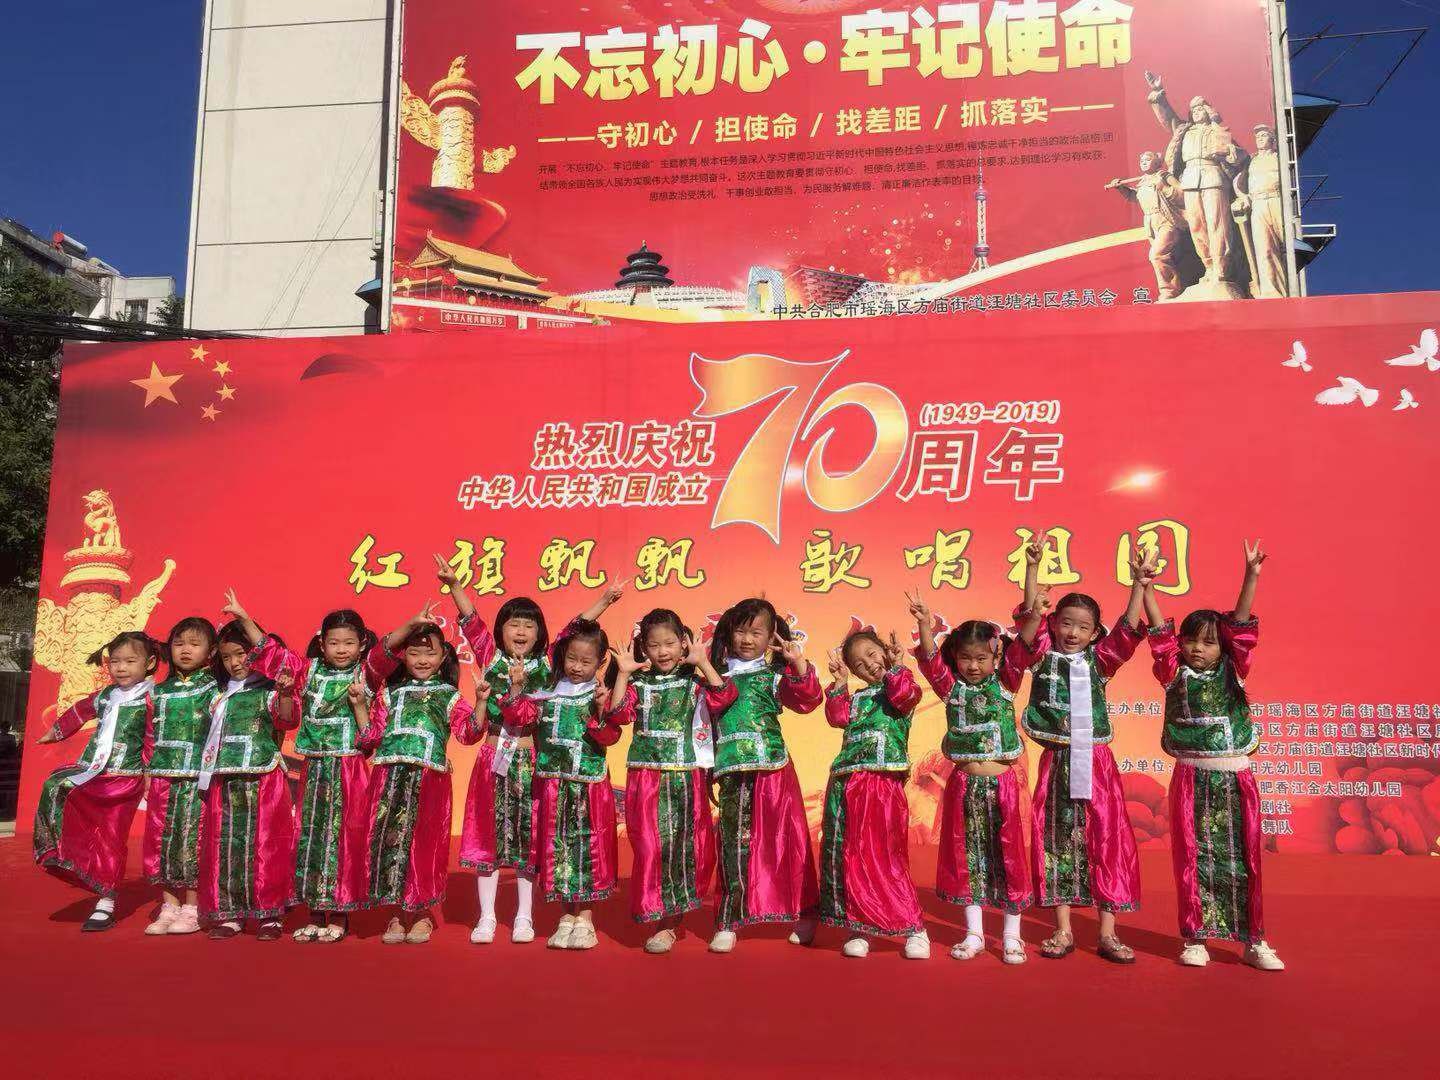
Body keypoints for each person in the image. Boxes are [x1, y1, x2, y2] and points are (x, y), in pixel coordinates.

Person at [1011, 533, 1155, 962]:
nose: (1072, 633)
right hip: (1057, 760)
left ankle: (1108, 932)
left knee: (1106, 837)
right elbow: (1029, 619)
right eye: (1066, 623)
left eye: (1083, 627)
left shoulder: (1100, 661)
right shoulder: (1041, 655)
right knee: (1056, 838)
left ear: (1094, 634)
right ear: (1055, 624)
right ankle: (1063, 929)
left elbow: (1128, 629)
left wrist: (1138, 585)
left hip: (1096, 762)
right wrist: (1032, 568)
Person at [1144, 540, 1284, 971]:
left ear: (1224, 647)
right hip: (1191, 777)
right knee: (1192, 856)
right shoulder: (1172, 672)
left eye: (1208, 642)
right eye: (1190, 641)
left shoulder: (1233, 668)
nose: (1197, 649)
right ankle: (1195, 938)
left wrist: (1251, 576)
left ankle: (1254, 940)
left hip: (1235, 777)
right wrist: (1146, 587)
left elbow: (1240, 622)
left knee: (1244, 859)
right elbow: (1159, 634)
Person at [223, 592, 387, 942]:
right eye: (334, 643)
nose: (341, 649)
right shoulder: (308, 671)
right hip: (315, 768)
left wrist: (414, 623)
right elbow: (272, 652)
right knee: (310, 836)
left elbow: (389, 650)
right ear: (322, 644)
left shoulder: (366, 674)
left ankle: (340, 915)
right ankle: (314, 912)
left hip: (349, 768)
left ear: (361, 645)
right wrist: (243, 618)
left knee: (343, 838)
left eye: (349, 643)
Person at [910, 591, 1042, 964]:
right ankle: (974, 934)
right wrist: (924, 623)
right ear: (956, 658)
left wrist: (1033, 588)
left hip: (1002, 786)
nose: (972, 665)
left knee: (1009, 857)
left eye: (981, 658)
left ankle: (1012, 936)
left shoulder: (1007, 682)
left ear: (996, 656)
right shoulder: (950, 689)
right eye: (965, 658)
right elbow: (930, 660)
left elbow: (1026, 639)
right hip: (964, 786)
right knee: (968, 858)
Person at [606, 609, 730, 953]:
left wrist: (703, 662)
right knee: (649, 847)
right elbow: (618, 715)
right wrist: (622, 674)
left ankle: (669, 923)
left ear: (683, 643)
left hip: (684, 776)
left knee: (681, 848)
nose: (662, 651)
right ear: (643, 648)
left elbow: (723, 697)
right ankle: (655, 909)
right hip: (645, 776)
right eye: (654, 645)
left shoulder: (694, 683)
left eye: (670, 643)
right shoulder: (639, 684)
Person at [705, 598, 823, 953]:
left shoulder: (774, 676)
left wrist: (797, 663)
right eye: (741, 631)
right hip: (730, 771)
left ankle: (805, 914)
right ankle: (729, 919)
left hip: (772, 769)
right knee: (732, 846)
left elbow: (807, 700)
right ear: (728, 633)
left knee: (788, 842)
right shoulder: (714, 678)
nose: (747, 639)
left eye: (756, 632)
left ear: (771, 636)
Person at [500, 618, 625, 950]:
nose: (577, 667)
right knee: (560, 850)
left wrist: (601, 711)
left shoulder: (598, 694)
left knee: (588, 848)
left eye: (586, 661)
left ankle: (586, 918)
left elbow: (611, 736)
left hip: (588, 785)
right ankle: (566, 917)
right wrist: (516, 687)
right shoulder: (547, 691)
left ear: (600, 662)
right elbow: (518, 717)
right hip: (554, 784)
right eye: (572, 659)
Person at [364, 603, 486, 944]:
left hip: (429, 778)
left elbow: (468, 734)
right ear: (402, 656)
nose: (421, 660)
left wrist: (480, 701)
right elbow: (372, 734)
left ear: (443, 657)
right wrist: (360, 707)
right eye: (414, 653)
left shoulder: (448, 695)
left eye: (429, 653)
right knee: (388, 841)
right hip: (389, 776)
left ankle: (421, 913)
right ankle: (394, 913)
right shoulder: (389, 694)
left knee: (424, 844)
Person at [33, 631, 161, 931]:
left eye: (130, 661)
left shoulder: (153, 697)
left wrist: (149, 774)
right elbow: (80, 710)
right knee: (55, 785)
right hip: (93, 770)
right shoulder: (106, 695)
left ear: (150, 662)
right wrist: (57, 731)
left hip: (125, 777)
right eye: (115, 662)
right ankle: (59, 853)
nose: (121, 668)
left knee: (111, 837)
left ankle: (106, 900)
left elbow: (152, 738)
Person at [818, 628, 929, 959]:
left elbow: (904, 695)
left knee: (885, 855)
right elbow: (836, 716)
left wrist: (897, 666)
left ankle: (914, 928)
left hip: (881, 784)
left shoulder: (901, 687)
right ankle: (859, 927)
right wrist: (840, 683)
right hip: (845, 781)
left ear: (885, 651)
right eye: (858, 664)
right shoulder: (856, 699)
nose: (868, 664)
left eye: (871, 653)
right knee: (848, 855)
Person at [196, 619, 298, 940]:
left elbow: (287, 720)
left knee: (266, 845)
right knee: (226, 844)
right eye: (227, 657)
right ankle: (231, 913)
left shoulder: (268, 691)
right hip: (224, 779)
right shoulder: (219, 696)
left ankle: (269, 913)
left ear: (256, 653)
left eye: (241, 654)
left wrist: (285, 692)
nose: (235, 663)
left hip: (263, 777)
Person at [142, 617, 220, 936]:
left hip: (198, 779)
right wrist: (148, 772)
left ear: (211, 652)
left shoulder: (215, 691)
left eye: (194, 644)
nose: (185, 650)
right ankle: (169, 905)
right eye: (179, 644)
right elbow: (149, 736)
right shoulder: (158, 692)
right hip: (163, 776)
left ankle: (193, 907)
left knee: (193, 840)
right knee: (162, 841)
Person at [1105, 151, 1190, 299]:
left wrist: (1164, 188)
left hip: (1166, 220)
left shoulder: (1164, 176)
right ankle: (1176, 288)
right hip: (1150, 223)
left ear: (1156, 162)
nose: (1143, 162)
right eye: (1141, 160)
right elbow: (1134, 197)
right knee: (1165, 257)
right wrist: (1121, 188)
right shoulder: (1143, 181)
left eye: (1147, 159)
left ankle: (1168, 291)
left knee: (1156, 255)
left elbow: (1182, 193)